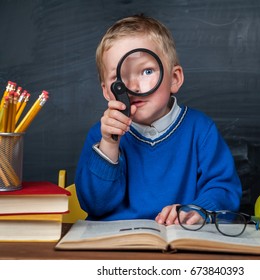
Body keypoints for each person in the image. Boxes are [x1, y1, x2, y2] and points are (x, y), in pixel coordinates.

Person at [75, 14, 242, 225]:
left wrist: (201, 210)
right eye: (119, 79)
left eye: (146, 71)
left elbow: (225, 190)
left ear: (174, 79)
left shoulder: (201, 130)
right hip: (116, 248)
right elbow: (95, 206)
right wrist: (109, 145)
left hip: (180, 244)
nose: (134, 87)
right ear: (108, 92)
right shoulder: (102, 135)